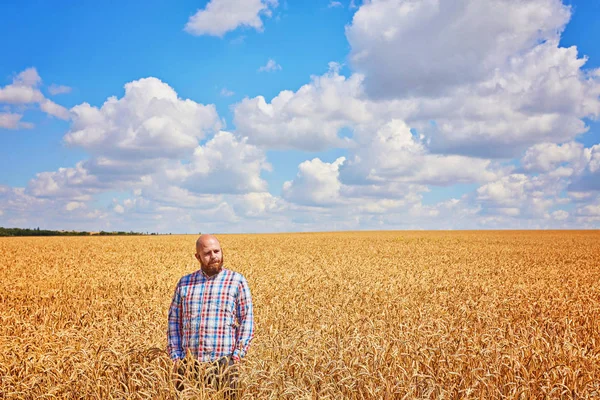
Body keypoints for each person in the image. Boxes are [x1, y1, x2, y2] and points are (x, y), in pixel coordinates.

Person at [167, 234, 254, 397]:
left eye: (217, 251)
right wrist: (177, 357)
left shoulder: (236, 281)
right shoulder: (185, 283)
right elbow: (174, 321)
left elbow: (246, 320)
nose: (214, 256)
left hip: (224, 364)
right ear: (197, 256)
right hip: (189, 366)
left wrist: (236, 357)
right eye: (207, 253)